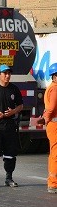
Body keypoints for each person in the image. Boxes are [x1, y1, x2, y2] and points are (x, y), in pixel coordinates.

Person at [39, 63, 57, 194]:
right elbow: (51, 108)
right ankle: (53, 183)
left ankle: (52, 182)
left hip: (52, 125)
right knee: (55, 155)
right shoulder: (55, 89)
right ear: (55, 76)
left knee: (53, 154)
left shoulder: (51, 87)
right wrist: (46, 117)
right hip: (55, 126)